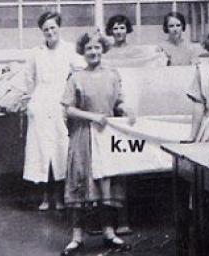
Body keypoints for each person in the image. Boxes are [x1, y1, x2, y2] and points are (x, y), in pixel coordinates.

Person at [60, 32, 135, 255]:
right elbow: (68, 109)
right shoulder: (75, 78)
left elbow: (118, 101)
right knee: (81, 182)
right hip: (83, 135)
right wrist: (92, 117)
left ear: (103, 49)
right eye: (89, 49)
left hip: (106, 135)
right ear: (82, 52)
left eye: (97, 48)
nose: (93, 52)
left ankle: (110, 233)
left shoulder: (112, 74)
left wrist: (126, 109)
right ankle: (76, 237)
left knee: (108, 183)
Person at [24, 11, 84, 211]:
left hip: (60, 105)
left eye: (53, 28)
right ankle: (44, 197)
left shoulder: (69, 50)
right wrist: (32, 101)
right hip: (40, 106)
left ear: (59, 28)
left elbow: (81, 71)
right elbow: (29, 79)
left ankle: (59, 197)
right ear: (42, 32)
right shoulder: (36, 52)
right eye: (46, 29)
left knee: (59, 150)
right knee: (42, 152)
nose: (50, 32)